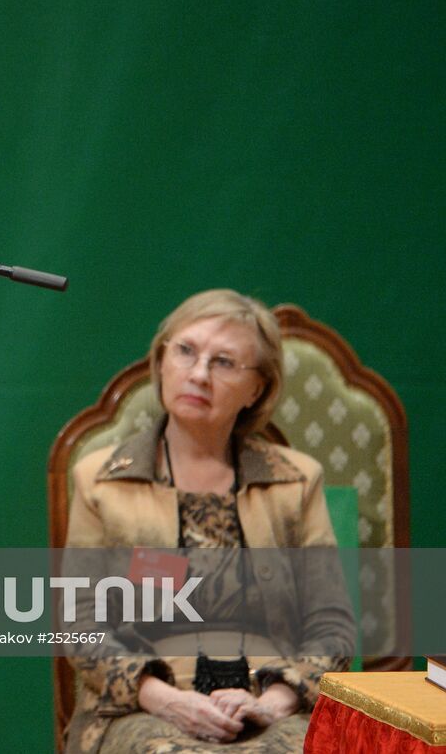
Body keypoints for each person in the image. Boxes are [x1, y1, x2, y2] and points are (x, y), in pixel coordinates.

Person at [63, 290, 354, 753]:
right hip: (145, 711)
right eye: (185, 351)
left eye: (224, 362)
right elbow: (77, 624)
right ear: (161, 361)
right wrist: (163, 699)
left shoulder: (296, 482)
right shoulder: (100, 482)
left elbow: (332, 625)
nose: (198, 374)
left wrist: (276, 701)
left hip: (272, 707)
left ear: (256, 388)